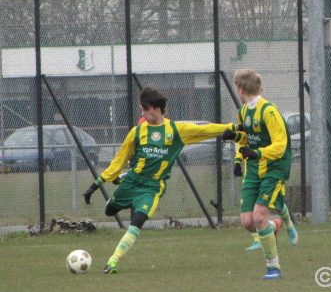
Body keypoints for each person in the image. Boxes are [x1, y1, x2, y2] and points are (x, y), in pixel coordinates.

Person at [82, 87, 241, 274]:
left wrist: (233, 128)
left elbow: (204, 129)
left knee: (137, 222)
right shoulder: (137, 132)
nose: (142, 113)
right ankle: (123, 195)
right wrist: (95, 185)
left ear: (156, 108)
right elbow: (119, 160)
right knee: (109, 211)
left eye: (144, 109)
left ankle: (112, 262)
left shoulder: (175, 130)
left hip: (153, 187)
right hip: (132, 181)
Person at [226, 68, 298, 280]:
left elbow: (280, 144)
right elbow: (247, 138)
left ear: (240, 88)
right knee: (248, 221)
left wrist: (257, 153)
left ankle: (273, 267)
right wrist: (237, 149)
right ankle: (275, 225)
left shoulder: (269, 111)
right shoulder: (244, 111)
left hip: (274, 168)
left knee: (259, 217)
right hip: (254, 170)